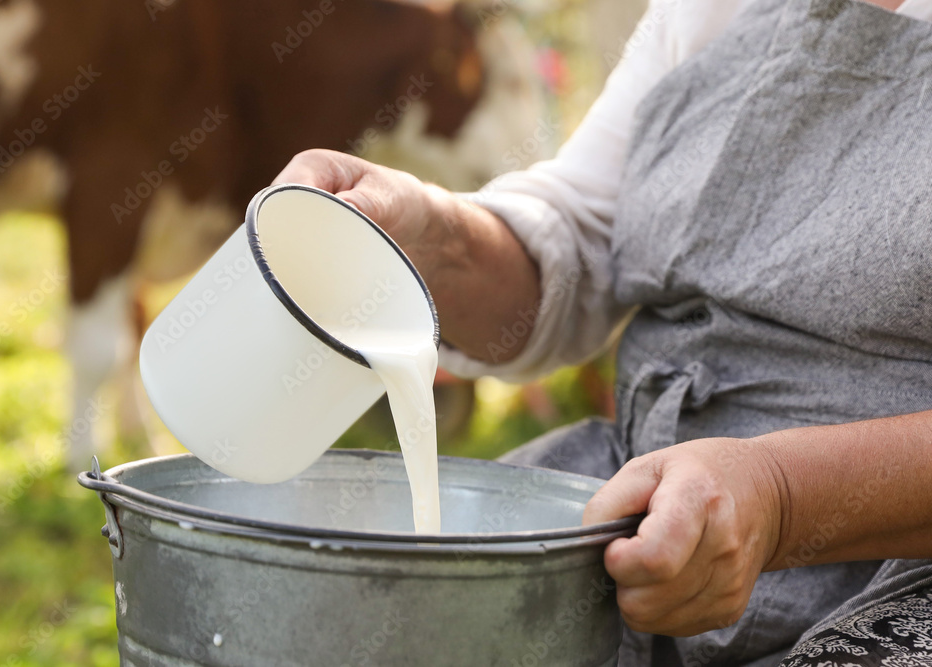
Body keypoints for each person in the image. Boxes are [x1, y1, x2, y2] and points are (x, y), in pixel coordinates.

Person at [274, 0, 932, 663]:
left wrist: (782, 497)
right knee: (327, 620)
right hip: (636, 509)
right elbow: (584, 239)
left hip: (899, 573)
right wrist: (431, 238)